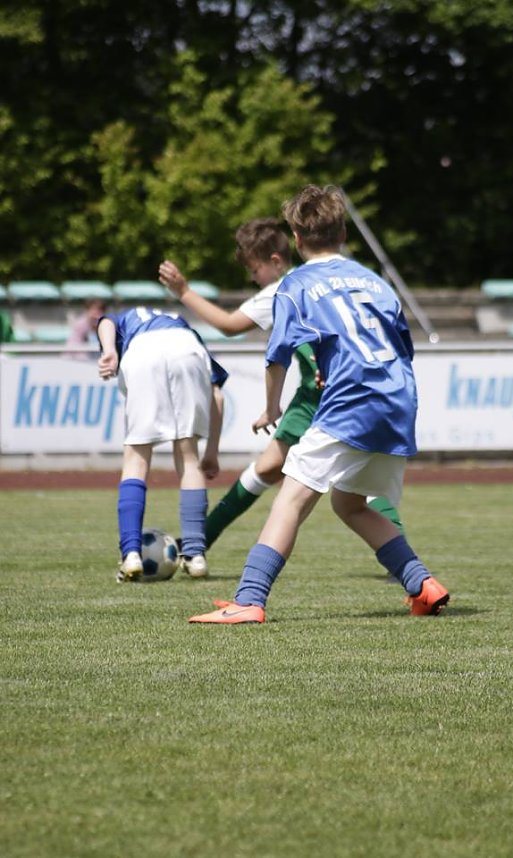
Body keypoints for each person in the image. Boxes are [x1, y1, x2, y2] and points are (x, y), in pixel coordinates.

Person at [187, 185, 449, 624]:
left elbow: (278, 354)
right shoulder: (374, 282)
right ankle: (422, 584)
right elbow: (401, 345)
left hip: (351, 401)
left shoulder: (296, 284)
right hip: (398, 399)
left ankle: (250, 600)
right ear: (343, 231)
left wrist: (271, 408)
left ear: (296, 236)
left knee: (290, 499)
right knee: (349, 504)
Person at [158, 219, 403, 554]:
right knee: (288, 470)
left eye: (254, 270)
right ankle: (199, 544)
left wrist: (184, 292)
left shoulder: (284, 287)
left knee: (338, 481)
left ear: (275, 261)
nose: (252, 279)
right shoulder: (333, 279)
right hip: (347, 390)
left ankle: (198, 544)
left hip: (321, 397)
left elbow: (231, 325)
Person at [97, 305, 227, 583]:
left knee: (136, 458)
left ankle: (131, 555)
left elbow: (106, 321)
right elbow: (217, 394)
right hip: (186, 351)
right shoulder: (184, 328)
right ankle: (195, 556)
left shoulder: (127, 317)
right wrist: (212, 451)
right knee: (189, 457)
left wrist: (109, 349)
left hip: (141, 352)